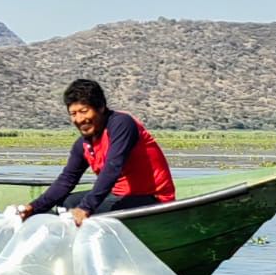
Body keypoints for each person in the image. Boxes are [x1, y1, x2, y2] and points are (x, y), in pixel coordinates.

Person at [22, 79, 175, 225]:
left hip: (152, 199)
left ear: (101, 107)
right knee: (66, 203)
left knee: (81, 211)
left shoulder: (121, 124)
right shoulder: (82, 144)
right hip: (119, 195)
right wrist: (33, 208)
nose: (79, 119)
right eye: (73, 114)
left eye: (83, 111)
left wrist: (86, 208)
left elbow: (113, 167)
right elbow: (67, 180)